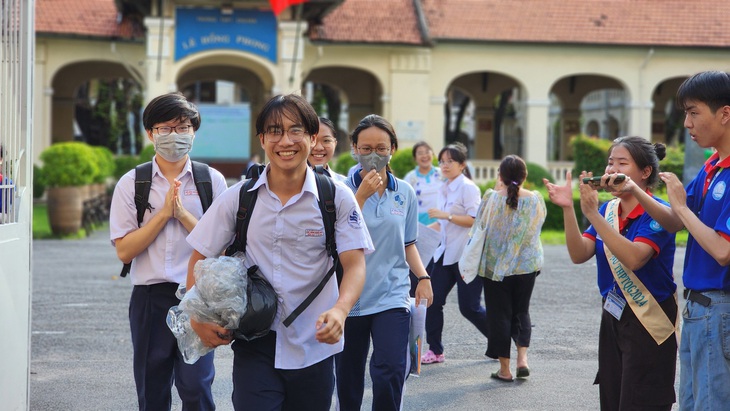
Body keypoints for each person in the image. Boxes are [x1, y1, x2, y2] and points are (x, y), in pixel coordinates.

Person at [185, 94, 373, 411]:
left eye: (295, 130)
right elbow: (198, 256)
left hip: (315, 342)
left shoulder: (336, 197)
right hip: (255, 339)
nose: (285, 140)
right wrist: (196, 316)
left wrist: (340, 310)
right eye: (274, 131)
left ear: (313, 138)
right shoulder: (240, 198)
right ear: (262, 139)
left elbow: (354, 264)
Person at [109, 92, 228, 411]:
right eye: (165, 128)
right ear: (150, 133)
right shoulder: (133, 183)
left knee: (197, 386)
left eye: (183, 127)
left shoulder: (211, 181)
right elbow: (124, 251)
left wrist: (183, 215)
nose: (175, 135)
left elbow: (222, 245)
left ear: (193, 132)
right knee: (152, 386)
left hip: (199, 296)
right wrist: (162, 214)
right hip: (150, 297)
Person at [544, 137, 677, 409]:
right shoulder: (609, 209)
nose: (610, 169)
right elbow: (579, 253)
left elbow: (633, 259)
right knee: (613, 397)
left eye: (621, 163)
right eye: (609, 162)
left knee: (641, 399)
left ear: (645, 172)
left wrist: (593, 215)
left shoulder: (657, 212)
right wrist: (569, 208)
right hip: (613, 314)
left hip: (648, 318)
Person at [624, 71, 730, 410]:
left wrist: (682, 206)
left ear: (725, 114)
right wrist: (635, 190)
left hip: (719, 307)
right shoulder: (712, 165)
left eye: (694, 111)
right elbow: (675, 221)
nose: (687, 123)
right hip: (699, 308)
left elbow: (722, 250)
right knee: (691, 403)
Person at [336, 114, 433, 411]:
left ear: (392, 148)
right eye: (365, 148)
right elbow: (335, 238)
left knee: (391, 368)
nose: (373, 155)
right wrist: (359, 198)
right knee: (349, 375)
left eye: (381, 147)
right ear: (354, 148)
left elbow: (409, 243)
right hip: (349, 297)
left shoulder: (404, 192)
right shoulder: (341, 190)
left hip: (392, 294)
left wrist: (424, 278)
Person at [473, 155, 545, 382]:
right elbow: (538, 226)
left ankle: (505, 370)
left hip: (495, 269)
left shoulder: (491, 198)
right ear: (525, 176)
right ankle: (522, 360)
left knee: (499, 316)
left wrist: (496, 189)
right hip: (526, 266)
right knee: (521, 312)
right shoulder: (535, 199)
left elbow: (480, 226)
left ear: (501, 176)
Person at [420, 142, 486, 365]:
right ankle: (435, 350)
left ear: (462, 164)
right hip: (444, 255)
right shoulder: (443, 187)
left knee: (470, 308)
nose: (445, 165)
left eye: (450, 161)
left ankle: (501, 338)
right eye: (442, 161)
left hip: (464, 256)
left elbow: (474, 220)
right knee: (432, 300)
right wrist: (416, 235)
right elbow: (441, 225)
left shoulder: (468, 188)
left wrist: (446, 216)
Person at [404, 141, 444, 226]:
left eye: (427, 152)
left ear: (432, 154)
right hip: (419, 223)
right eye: (420, 153)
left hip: (442, 221)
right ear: (415, 158)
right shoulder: (410, 178)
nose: (424, 156)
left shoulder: (443, 174)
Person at [309, 116, 347, 182]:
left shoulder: (344, 184)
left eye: (326, 141)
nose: (319, 148)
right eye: (312, 140)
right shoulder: (287, 184)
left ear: (335, 144)